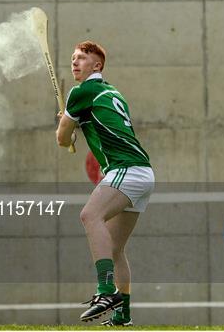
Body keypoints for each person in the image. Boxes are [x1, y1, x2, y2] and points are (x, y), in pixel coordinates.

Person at [56, 41, 154, 326]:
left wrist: (64, 127)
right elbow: (94, 128)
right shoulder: (111, 92)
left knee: (90, 215)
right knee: (115, 249)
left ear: (97, 65)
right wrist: (72, 124)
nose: (75, 63)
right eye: (73, 58)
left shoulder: (81, 91)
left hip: (126, 169)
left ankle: (105, 291)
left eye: (82, 58)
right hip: (143, 172)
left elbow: (63, 140)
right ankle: (123, 314)